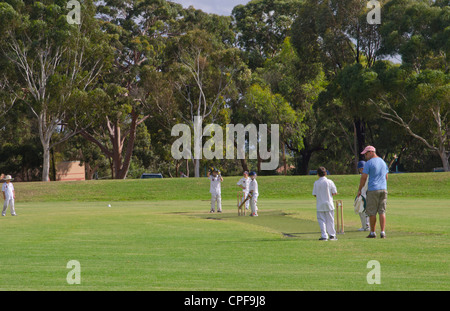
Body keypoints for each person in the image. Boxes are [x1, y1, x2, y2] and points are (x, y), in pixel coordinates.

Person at [357, 146, 389, 239]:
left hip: (373, 189)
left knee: (372, 212)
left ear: (371, 152)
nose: (365, 156)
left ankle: (372, 232)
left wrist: (360, 189)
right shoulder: (383, 162)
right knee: (382, 211)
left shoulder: (369, 163)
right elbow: (386, 176)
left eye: (366, 154)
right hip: (383, 189)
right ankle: (383, 232)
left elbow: (363, 177)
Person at [312, 167, 337, 241]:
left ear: (318, 174)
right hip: (329, 203)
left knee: (321, 220)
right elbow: (334, 192)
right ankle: (332, 235)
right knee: (330, 220)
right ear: (325, 173)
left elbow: (314, 194)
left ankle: (324, 236)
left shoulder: (316, 183)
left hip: (320, 204)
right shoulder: (330, 181)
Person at [354, 161, 369, 231]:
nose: (360, 170)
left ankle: (367, 226)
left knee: (365, 211)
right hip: (363, 195)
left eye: (361, 169)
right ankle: (364, 226)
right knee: (361, 211)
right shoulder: (363, 175)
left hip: (366, 196)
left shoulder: (367, 176)